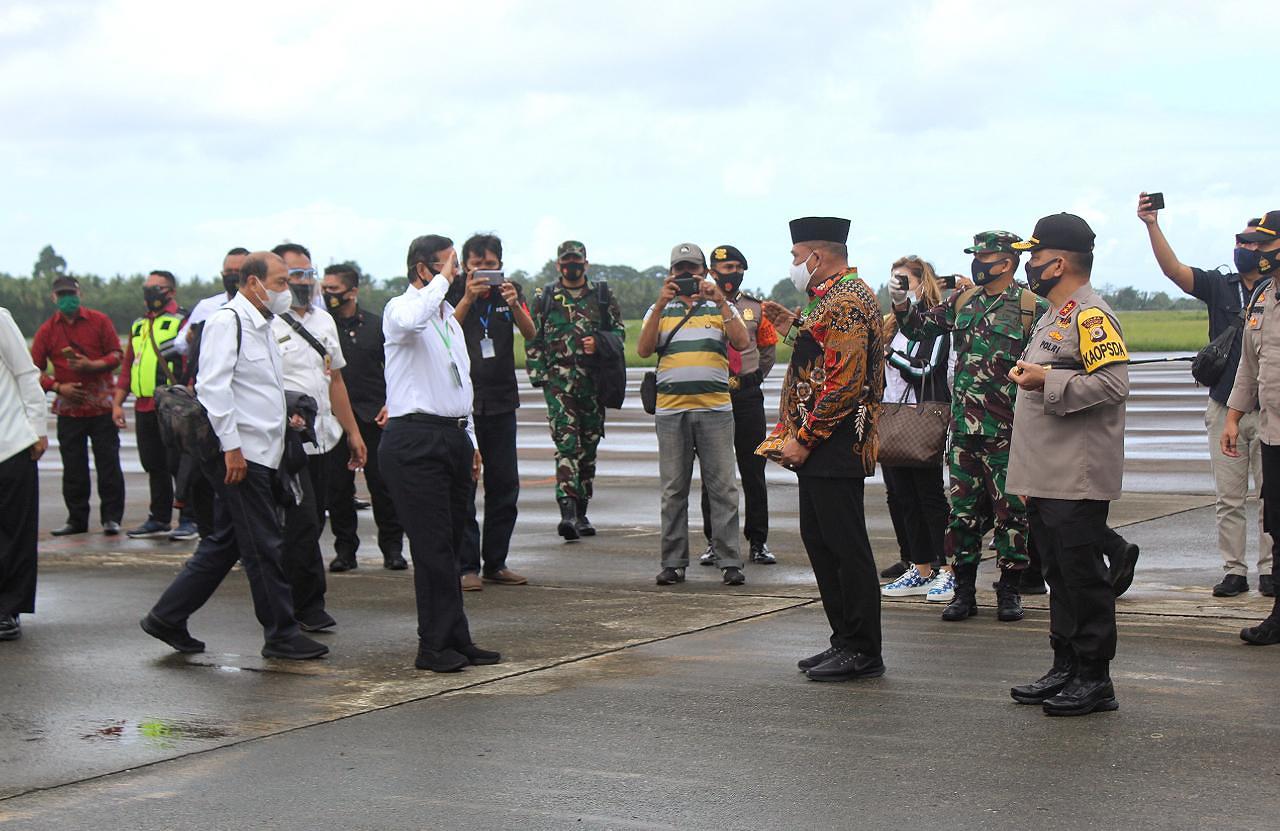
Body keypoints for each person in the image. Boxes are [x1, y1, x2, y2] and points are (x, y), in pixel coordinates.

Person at [141, 251, 328, 660]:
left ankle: (166, 617)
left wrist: (286, 416)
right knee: (264, 546)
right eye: (279, 282)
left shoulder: (264, 324)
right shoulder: (229, 322)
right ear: (252, 283)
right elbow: (213, 389)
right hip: (240, 454)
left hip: (264, 449)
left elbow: (254, 389)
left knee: (225, 542)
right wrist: (232, 449)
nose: (286, 289)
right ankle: (280, 634)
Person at [1006, 212, 1129, 716]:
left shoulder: (1091, 316)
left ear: (1057, 263)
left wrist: (1046, 381)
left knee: (1082, 576)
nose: (1028, 265)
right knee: (1058, 572)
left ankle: (1095, 677)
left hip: (1076, 473)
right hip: (1048, 471)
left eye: (1034, 257)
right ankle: (1066, 666)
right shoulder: (1055, 315)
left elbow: (1113, 385)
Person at [758, 216, 885, 681]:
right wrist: (793, 325)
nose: (793, 266)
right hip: (821, 441)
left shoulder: (848, 300)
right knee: (822, 542)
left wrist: (803, 440)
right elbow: (824, 349)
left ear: (817, 254)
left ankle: (863, 648)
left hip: (834, 441)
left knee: (846, 548)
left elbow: (845, 382)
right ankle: (844, 640)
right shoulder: (830, 298)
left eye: (796, 258)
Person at [1139, 196, 1273, 599]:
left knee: (1271, 497)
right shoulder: (1221, 286)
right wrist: (1151, 225)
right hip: (1224, 405)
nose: (1246, 249)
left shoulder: (1275, 292)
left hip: (1270, 410)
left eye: (1255, 243)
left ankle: (1271, 570)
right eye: (1242, 241)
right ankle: (1235, 570)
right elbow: (1174, 272)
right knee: (1229, 497)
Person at [380, 234, 500, 672]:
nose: (459, 273)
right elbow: (411, 320)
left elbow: (459, 383)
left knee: (452, 545)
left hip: (451, 436)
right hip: (415, 439)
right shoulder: (401, 309)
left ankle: (456, 637)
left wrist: (469, 441)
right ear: (421, 269)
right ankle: (432, 646)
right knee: (431, 548)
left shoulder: (448, 319)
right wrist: (440, 283)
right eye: (449, 264)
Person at [637, 243, 751, 587]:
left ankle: (730, 560)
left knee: (724, 489)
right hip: (672, 412)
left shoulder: (721, 305)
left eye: (692, 269)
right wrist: (660, 303)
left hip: (715, 409)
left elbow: (742, 343)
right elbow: (643, 350)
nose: (686, 275)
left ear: (704, 272)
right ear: (671, 273)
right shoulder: (658, 309)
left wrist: (719, 301)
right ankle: (673, 562)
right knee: (673, 490)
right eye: (680, 270)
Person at [269, 243, 367, 632]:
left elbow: (336, 379)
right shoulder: (267, 324)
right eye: (294, 275)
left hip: (326, 437)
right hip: (288, 443)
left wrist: (353, 433)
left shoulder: (324, 322)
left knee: (315, 521)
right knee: (301, 524)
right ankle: (304, 607)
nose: (304, 282)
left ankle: (304, 603)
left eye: (308, 274)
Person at [445, 234, 533, 590]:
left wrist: (514, 305)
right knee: (464, 484)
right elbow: (445, 330)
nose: (484, 270)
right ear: (465, 265)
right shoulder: (452, 292)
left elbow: (531, 332)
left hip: (501, 400)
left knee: (504, 484)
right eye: (476, 264)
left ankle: (495, 561)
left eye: (491, 264)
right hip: (462, 403)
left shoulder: (510, 292)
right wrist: (467, 296)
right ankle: (466, 566)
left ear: (500, 264)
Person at [526, 240, 625, 541]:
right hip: (559, 384)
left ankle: (582, 511)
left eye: (576, 260)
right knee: (567, 445)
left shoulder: (602, 297)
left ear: (586, 263)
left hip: (593, 382)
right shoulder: (545, 297)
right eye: (566, 260)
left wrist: (599, 341)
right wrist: (539, 376)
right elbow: (533, 337)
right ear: (558, 265)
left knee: (589, 446)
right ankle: (567, 514)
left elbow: (619, 333)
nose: (572, 265)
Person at [696, 244, 779, 566]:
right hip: (711, 396)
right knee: (713, 475)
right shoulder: (701, 306)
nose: (730, 273)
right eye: (723, 268)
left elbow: (769, 349)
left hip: (746, 397)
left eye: (735, 267)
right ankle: (714, 542)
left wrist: (753, 376)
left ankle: (758, 541)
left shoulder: (755, 309)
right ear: (711, 273)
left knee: (754, 471)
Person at [321, 262, 407, 572]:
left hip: (374, 417)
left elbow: (397, 368)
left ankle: (392, 548)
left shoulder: (376, 325)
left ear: (352, 291)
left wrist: (391, 403)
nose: (327, 294)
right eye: (325, 288)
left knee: (383, 487)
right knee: (338, 490)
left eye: (333, 289)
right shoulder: (321, 326)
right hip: (335, 420)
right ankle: (345, 550)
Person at [878, 256, 952, 603]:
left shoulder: (936, 320)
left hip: (923, 416)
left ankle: (947, 567)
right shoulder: (891, 324)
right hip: (892, 415)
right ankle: (920, 567)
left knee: (929, 496)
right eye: (894, 281)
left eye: (904, 281)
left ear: (923, 283)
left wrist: (891, 357)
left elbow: (928, 370)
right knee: (902, 496)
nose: (898, 286)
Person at [1222, 209, 1280, 644]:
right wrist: (1233, 415)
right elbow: (1250, 365)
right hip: (1273, 434)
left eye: (1261, 244)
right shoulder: (1264, 296)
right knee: (1276, 522)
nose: (1253, 252)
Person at [30, 275, 125, 537]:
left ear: (79, 294)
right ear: (54, 298)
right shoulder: (47, 330)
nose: (67, 300)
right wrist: (58, 387)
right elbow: (32, 371)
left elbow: (117, 355)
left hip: (102, 405)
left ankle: (112, 518)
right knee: (73, 466)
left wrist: (93, 365)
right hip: (69, 407)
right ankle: (76, 519)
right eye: (62, 296)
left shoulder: (99, 321)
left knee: (108, 464)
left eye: (70, 294)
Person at [112, 270, 199, 541]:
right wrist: (117, 403)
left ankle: (189, 518)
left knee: (179, 463)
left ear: (170, 291)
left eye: (156, 288)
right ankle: (159, 517)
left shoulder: (183, 322)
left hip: (172, 405)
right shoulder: (139, 325)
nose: (150, 293)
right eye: (147, 288)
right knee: (153, 464)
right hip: (143, 405)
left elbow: (192, 360)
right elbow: (128, 366)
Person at [175, 247, 248, 539]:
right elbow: (181, 344)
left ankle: (231, 540)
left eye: (238, 272)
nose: (232, 277)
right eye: (227, 272)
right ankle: (207, 533)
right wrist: (194, 335)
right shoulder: (209, 306)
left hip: (242, 409)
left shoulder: (263, 309)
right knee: (201, 475)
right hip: (207, 404)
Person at [0, 307, 48, 642]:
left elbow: (26, 374)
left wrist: (38, 428)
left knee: (13, 533)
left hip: (10, 442)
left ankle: (7, 609)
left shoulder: (0, 319)